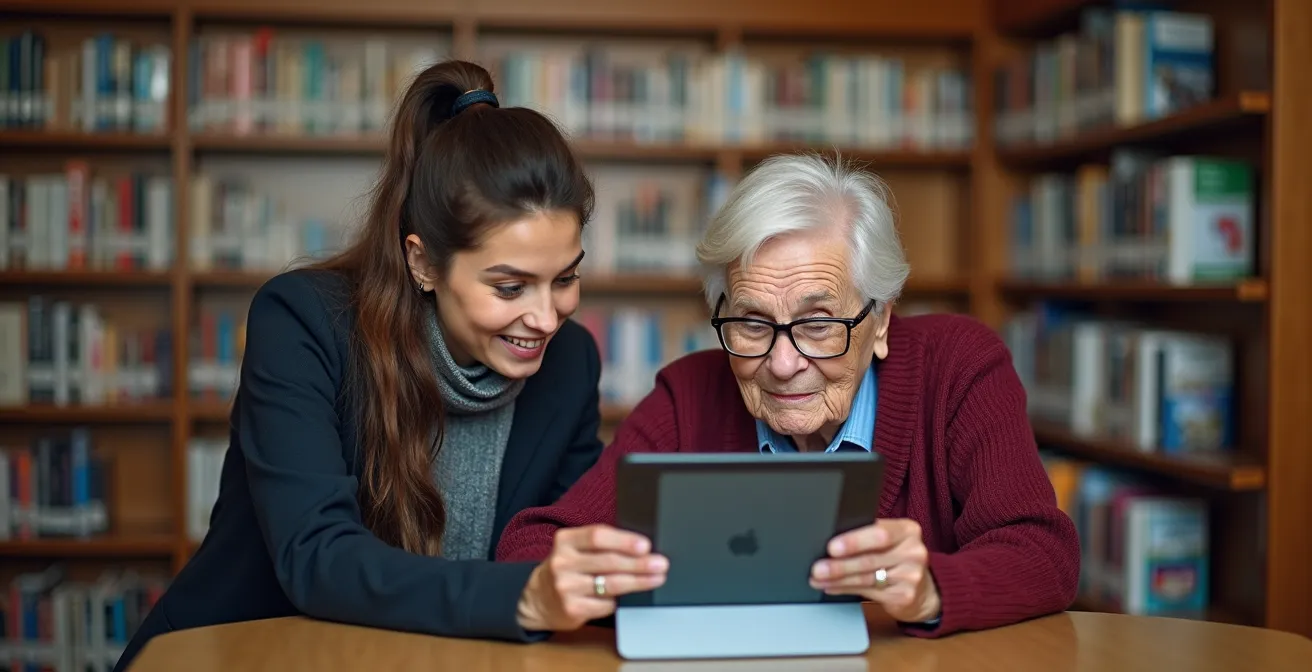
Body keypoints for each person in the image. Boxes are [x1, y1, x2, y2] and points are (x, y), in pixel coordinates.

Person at [114, 60, 605, 671]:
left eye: (566, 278)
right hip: (248, 655)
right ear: (423, 264)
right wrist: (527, 597)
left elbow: (563, 537)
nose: (546, 318)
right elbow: (318, 557)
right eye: (509, 288)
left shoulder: (572, 362)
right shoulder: (302, 323)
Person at [497, 152, 1081, 638]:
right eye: (752, 323)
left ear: (878, 322)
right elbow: (531, 548)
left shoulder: (958, 367)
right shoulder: (691, 393)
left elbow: (1043, 552)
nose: (781, 363)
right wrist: (622, 586)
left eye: (818, 324)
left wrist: (929, 588)